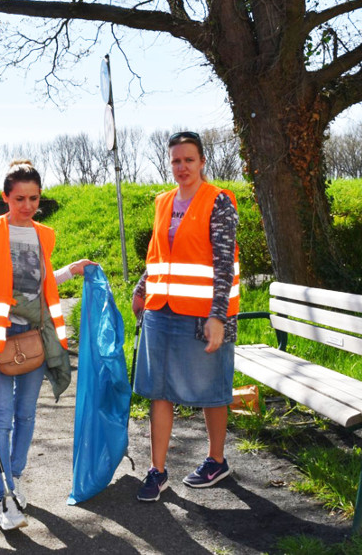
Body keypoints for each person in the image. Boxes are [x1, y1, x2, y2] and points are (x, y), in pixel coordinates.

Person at [0, 160, 95, 531]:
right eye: (20, 198)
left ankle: (12, 478)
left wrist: (72, 269)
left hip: (34, 338)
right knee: (0, 418)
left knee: (27, 415)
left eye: (34, 198)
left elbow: (42, 282)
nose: (28, 205)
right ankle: (5, 495)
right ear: (5, 197)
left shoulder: (44, 235)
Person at [131, 131, 240, 502]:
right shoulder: (163, 202)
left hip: (203, 315)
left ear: (202, 162)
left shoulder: (219, 201)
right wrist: (142, 289)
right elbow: (157, 254)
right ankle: (157, 471)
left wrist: (218, 316)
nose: (182, 167)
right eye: (176, 160)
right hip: (161, 311)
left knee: (211, 390)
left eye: (189, 160)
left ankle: (217, 460)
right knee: (159, 391)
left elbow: (224, 263)